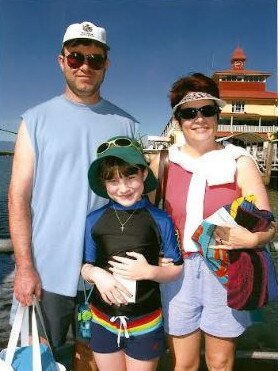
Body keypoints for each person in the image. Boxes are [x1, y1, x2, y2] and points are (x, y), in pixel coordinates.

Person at [8, 21, 139, 355]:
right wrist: (24, 268)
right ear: (61, 61)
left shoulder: (128, 125)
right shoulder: (33, 120)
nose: (85, 66)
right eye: (76, 57)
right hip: (45, 273)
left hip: (109, 273)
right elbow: (18, 197)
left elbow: (140, 201)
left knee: (97, 361)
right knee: (37, 358)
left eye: (95, 59)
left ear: (106, 65)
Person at [150, 73, 276, 371]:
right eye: (189, 112)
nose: (199, 119)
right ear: (178, 119)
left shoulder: (239, 160)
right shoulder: (162, 162)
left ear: (218, 114)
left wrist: (253, 240)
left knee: (221, 363)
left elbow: (269, 225)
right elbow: (144, 217)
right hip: (177, 271)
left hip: (226, 267)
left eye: (207, 110)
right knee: (184, 364)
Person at [81, 136, 184, 371]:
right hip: (102, 320)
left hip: (145, 322)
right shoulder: (93, 220)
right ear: (103, 183)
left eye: (130, 177)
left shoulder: (161, 220)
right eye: (113, 181)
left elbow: (177, 270)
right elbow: (85, 265)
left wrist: (150, 271)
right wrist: (97, 274)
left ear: (144, 175)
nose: (124, 188)